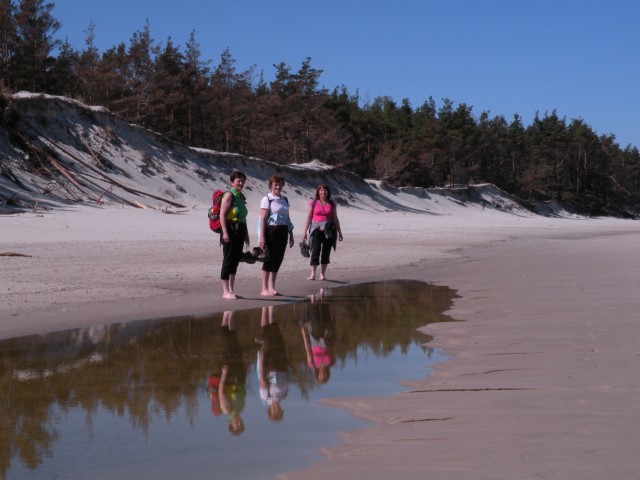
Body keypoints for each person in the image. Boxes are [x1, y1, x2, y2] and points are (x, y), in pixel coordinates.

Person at [259, 175, 294, 296]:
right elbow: (263, 219)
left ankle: (272, 287)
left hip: (283, 231)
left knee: (278, 259)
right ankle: (264, 289)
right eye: (275, 185)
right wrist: (262, 237)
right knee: (268, 259)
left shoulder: (285, 199)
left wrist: (291, 234)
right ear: (271, 186)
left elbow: (287, 218)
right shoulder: (267, 199)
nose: (278, 187)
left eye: (280, 184)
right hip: (271, 231)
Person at [301, 184, 343, 281]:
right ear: (318, 192)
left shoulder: (332, 204)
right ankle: (312, 274)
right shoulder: (313, 203)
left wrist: (339, 232)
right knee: (315, 252)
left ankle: (322, 274)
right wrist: (304, 232)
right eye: (321, 190)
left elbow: (335, 219)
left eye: (325, 190)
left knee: (326, 252)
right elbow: (308, 218)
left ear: (328, 192)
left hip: (328, 231)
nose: (323, 192)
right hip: (316, 231)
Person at [219, 170, 250, 299]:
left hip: (240, 230)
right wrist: (225, 232)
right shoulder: (229, 195)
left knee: (235, 260)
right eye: (238, 181)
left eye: (243, 181)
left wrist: (246, 235)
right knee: (228, 260)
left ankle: (231, 290)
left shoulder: (241, 197)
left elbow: (243, 217)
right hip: (230, 229)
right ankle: (225, 291)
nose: (241, 183)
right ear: (232, 182)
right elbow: (221, 215)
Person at [217, 311, 248, 435]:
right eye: (241, 425)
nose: (239, 423)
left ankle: (225, 316)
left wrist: (224, 375)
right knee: (235, 345)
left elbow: (221, 392)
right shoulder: (240, 409)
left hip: (229, 376)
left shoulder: (227, 410)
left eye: (237, 425)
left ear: (230, 424)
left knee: (227, 345)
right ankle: (231, 316)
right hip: (239, 376)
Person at [256, 306, 289, 422]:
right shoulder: (284, 395)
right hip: (282, 364)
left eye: (274, 412)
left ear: (269, 410)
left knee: (265, 337)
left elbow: (262, 381)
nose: (276, 410)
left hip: (269, 366)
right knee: (277, 336)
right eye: (278, 412)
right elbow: (286, 378)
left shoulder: (266, 398)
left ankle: (264, 310)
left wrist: (261, 361)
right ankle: (271, 310)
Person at [300, 289, 336, 384]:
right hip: (326, 339)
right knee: (325, 313)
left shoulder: (312, 364)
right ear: (327, 374)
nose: (322, 375)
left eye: (320, 376)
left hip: (315, 340)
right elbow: (334, 347)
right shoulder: (331, 362)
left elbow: (308, 350)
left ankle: (313, 295)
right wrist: (335, 329)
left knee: (314, 315)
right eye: (324, 376)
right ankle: (323, 293)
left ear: (317, 375)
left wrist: (304, 334)